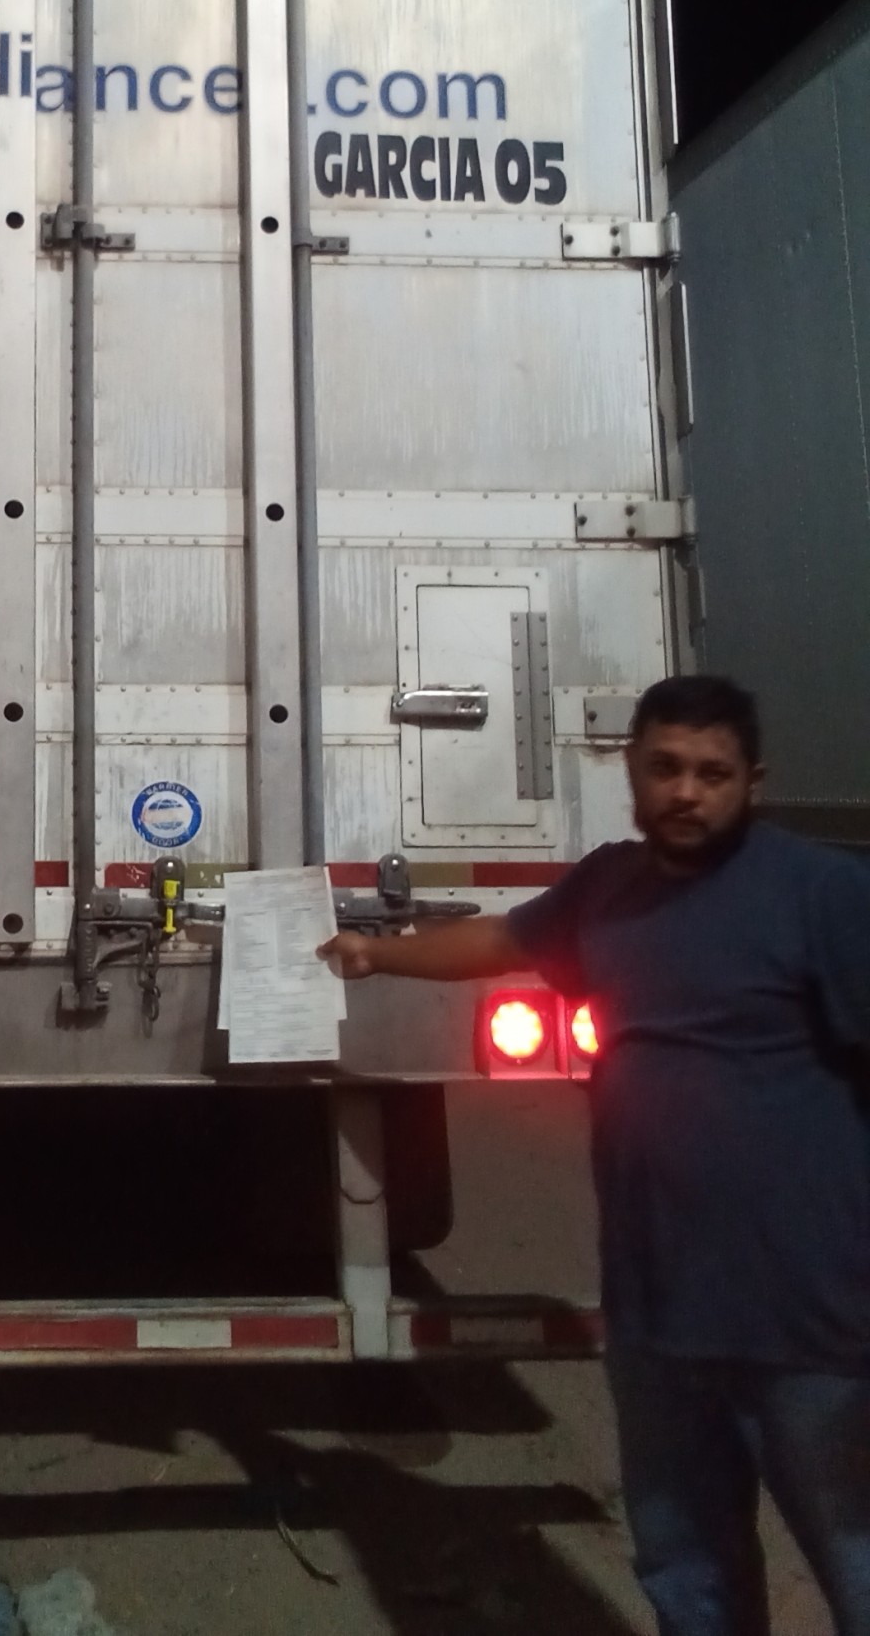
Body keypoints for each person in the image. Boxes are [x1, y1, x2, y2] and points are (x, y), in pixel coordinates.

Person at [319, 674, 870, 1636]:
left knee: (855, 1558)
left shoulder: (824, 894)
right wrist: (378, 954)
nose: (685, 791)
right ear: (632, 770)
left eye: (711, 772)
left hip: (808, 1324)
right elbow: (502, 938)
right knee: (686, 1572)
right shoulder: (609, 887)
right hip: (658, 1317)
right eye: (665, 767)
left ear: (754, 780)